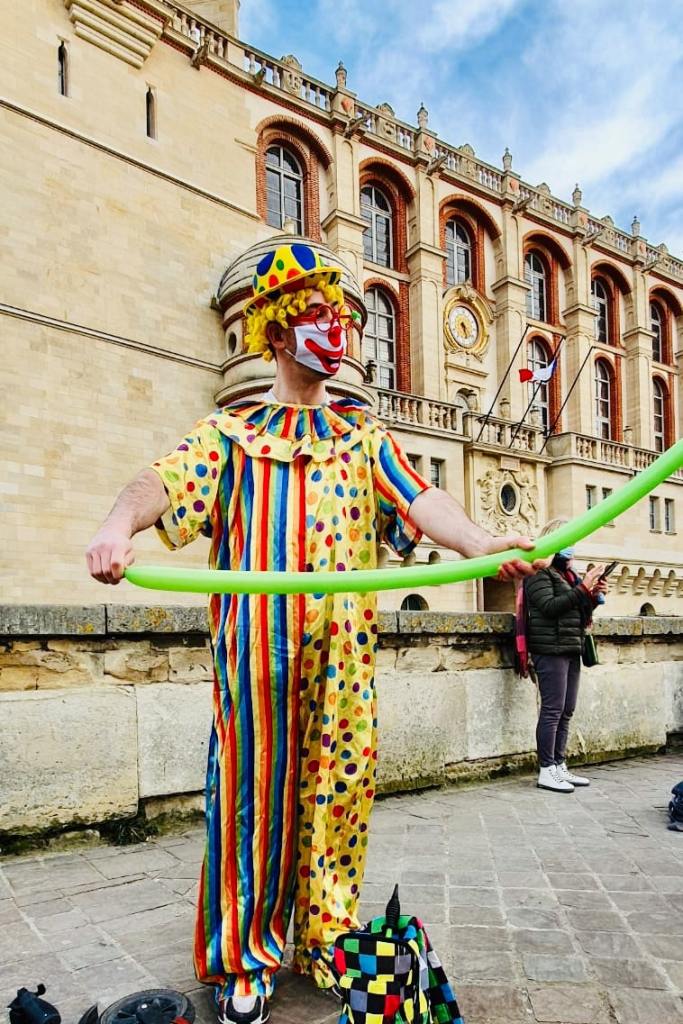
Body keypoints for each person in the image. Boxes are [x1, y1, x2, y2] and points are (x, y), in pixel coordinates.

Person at [86, 241, 540, 1024]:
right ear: (276, 333)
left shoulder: (362, 438)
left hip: (344, 659)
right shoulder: (231, 433)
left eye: (342, 318)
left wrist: (475, 541)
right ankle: (246, 958)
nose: (338, 330)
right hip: (256, 655)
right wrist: (116, 526)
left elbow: (421, 499)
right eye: (320, 316)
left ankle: (326, 938)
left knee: (338, 798)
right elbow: (160, 479)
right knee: (252, 802)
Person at [525, 519, 608, 794]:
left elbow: (577, 612)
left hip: (571, 647)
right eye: (567, 539)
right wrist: (583, 588)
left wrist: (593, 595)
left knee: (567, 710)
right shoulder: (538, 572)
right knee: (552, 710)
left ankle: (559, 765)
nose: (572, 546)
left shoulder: (567, 576)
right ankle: (546, 769)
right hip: (549, 649)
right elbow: (550, 607)